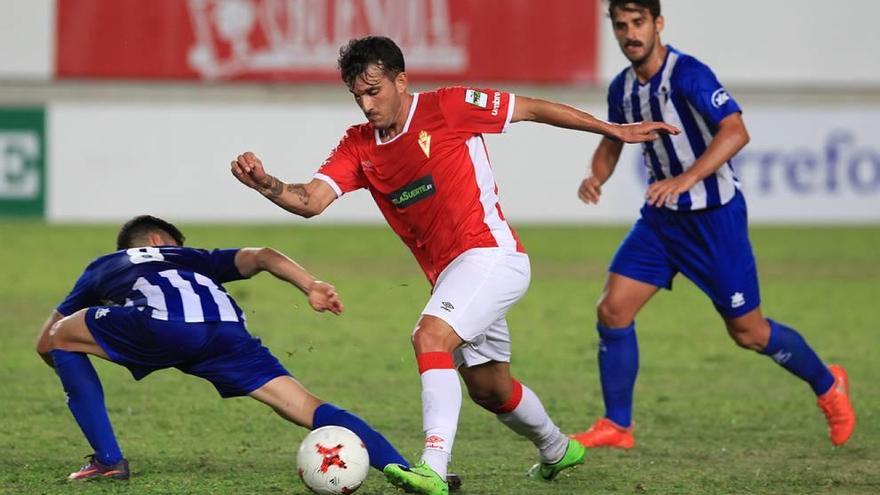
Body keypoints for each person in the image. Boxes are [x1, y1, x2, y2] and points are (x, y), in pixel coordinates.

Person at [230, 36, 677, 494]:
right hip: (453, 276)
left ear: (401, 81)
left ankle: (433, 467)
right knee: (490, 389)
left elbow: (532, 109)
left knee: (429, 335)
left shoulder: (450, 107)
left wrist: (613, 130)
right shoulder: (359, 146)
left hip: (491, 255)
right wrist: (267, 184)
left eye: (374, 91)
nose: (366, 105)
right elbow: (310, 201)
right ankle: (559, 449)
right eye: (357, 96)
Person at [571, 0, 855, 450]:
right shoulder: (623, 88)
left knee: (749, 332)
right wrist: (596, 176)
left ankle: (828, 384)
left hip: (714, 221)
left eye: (639, 23)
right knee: (612, 310)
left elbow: (736, 130)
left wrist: (686, 178)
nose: (630, 34)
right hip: (662, 222)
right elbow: (614, 140)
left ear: (658, 23)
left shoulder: (689, 74)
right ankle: (617, 425)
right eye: (621, 25)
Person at [35, 214, 417, 484]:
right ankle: (404, 468)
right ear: (158, 240)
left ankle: (108, 461)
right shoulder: (196, 259)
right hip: (228, 331)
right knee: (304, 406)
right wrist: (310, 284)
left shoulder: (105, 264)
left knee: (59, 337)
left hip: (161, 324)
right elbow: (264, 255)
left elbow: (43, 342)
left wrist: (75, 358)